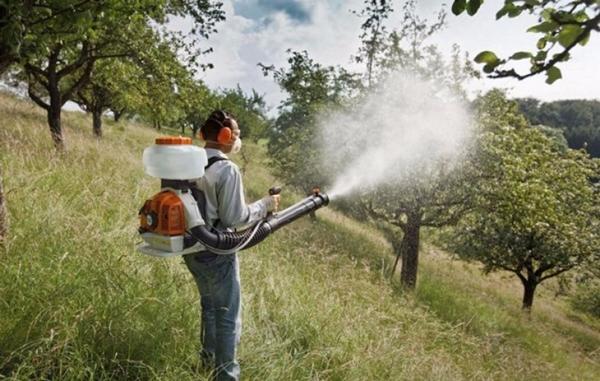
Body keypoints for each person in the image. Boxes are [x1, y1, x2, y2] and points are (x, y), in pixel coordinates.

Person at [184, 110, 280, 381]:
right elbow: (234, 218)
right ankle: (226, 376)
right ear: (225, 136)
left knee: (209, 307)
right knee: (226, 315)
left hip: (191, 248)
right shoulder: (226, 169)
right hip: (217, 250)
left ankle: (207, 361)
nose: (238, 138)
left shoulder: (190, 162)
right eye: (236, 133)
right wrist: (265, 205)